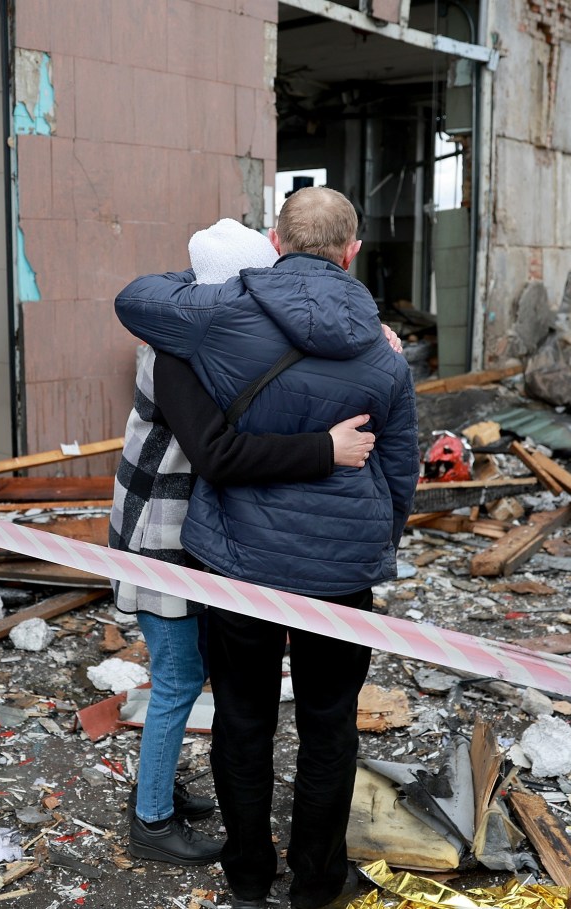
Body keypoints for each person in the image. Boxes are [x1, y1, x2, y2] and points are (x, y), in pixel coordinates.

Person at [113, 188, 420, 909]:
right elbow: (400, 469)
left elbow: (135, 298)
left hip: (238, 567)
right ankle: (316, 884)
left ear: (276, 244)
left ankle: (249, 877)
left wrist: (230, 284)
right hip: (340, 573)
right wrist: (371, 539)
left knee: (243, 720)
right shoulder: (383, 349)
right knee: (328, 727)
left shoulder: (219, 318)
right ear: (353, 251)